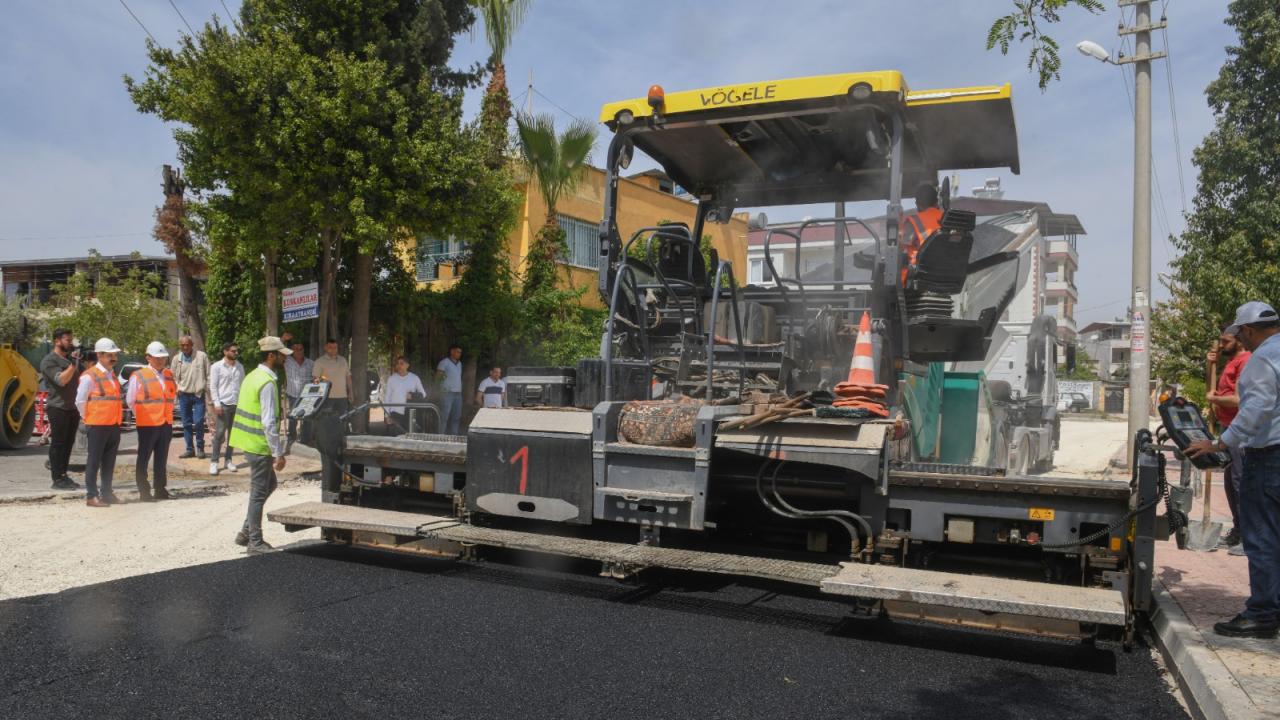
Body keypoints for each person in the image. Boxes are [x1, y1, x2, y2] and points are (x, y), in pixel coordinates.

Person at [1187, 301, 1280, 639]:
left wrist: (1219, 443)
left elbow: (1255, 410)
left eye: (1241, 333)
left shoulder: (1261, 360)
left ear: (1249, 331)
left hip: (1269, 457)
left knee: (1262, 538)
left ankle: (1262, 615)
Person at [229, 336, 290, 554]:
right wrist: (278, 453)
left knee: (269, 485)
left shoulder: (253, 376)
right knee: (258, 493)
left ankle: (246, 531)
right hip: (259, 445)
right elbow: (268, 421)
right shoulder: (267, 382)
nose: (285, 358)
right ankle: (255, 542)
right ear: (271, 355)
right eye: (282, 354)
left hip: (248, 442)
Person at [1207, 328, 1251, 553]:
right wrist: (1210, 365)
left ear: (1240, 340)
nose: (1222, 345)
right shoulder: (1232, 361)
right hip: (1227, 429)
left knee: (1239, 482)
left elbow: (1239, 400)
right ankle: (1237, 530)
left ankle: (1247, 536)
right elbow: (1212, 388)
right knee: (1230, 481)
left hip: (1239, 430)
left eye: (1226, 341)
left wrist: (1215, 399)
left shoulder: (1246, 361)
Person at [76, 338, 123, 507]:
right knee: (94, 461)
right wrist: (87, 417)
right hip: (97, 424)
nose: (113, 358)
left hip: (113, 424)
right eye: (110, 355)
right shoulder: (89, 376)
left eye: (114, 355)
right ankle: (91, 495)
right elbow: (80, 401)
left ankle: (107, 493)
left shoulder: (112, 375)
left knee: (109, 462)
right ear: (99, 355)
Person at [128, 341, 177, 501]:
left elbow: (171, 397)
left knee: (161, 458)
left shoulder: (169, 374)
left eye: (163, 357)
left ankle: (160, 489)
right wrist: (142, 415)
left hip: (165, 423)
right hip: (147, 424)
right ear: (148, 357)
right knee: (144, 458)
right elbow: (131, 400)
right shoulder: (139, 375)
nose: (160, 360)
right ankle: (144, 491)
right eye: (157, 357)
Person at [39, 328, 83, 491]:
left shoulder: (71, 361)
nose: (71, 343)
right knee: (58, 443)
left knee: (68, 443)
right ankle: (56, 478)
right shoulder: (49, 361)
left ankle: (64, 475)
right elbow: (61, 380)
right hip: (58, 408)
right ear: (57, 341)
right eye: (67, 340)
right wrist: (73, 364)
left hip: (72, 408)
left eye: (71, 340)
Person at [208, 342, 245, 475]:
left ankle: (228, 460)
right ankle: (214, 461)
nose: (236, 353)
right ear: (225, 352)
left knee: (233, 435)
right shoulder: (216, 367)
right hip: (223, 404)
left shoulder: (240, 367)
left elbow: (242, 385)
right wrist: (216, 404)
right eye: (233, 351)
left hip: (236, 404)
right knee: (219, 434)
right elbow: (213, 386)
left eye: (237, 351)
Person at [171, 335, 210, 459]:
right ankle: (189, 449)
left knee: (198, 421)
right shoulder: (177, 359)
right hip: (184, 395)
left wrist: (208, 392)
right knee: (186, 423)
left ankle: (200, 447)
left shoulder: (201, 356)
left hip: (198, 394)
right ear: (180, 346)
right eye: (182, 345)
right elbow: (173, 377)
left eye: (187, 344)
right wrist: (177, 389)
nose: (185, 347)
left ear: (192, 345)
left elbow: (208, 374)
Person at [899, 182, 943, 283]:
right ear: (936, 202)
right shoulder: (948, 218)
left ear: (918, 204)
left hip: (918, 277)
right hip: (944, 275)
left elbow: (898, 247)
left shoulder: (914, 221)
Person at [383, 356, 427, 435]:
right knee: (395, 439)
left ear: (407, 365)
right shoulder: (391, 379)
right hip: (395, 413)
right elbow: (387, 398)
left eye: (401, 363)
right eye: (397, 364)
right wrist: (386, 415)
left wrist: (413, 396)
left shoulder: (414, 378)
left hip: (410, 413)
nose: (399, 366)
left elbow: (423, 394)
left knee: (409, 438)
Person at [283, 342, 313, 450]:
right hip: (293, 394)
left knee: (306, 418)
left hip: (306, 396)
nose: (299, 351)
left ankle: (305, 440)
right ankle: (291, 439)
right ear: (292, 351)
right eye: (296, 349)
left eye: (300, 349)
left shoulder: (310, 363)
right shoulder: (287, 361)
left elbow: (314, 377)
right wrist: (283, 339)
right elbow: (279, 349)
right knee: (293, 418)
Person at [312, 338, 352, 414]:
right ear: (325, 348)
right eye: (330, 347)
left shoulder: (343, 360)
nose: (333, 350)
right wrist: (319, 381)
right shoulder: (319, 362)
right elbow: (315, 380)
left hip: (342, 397)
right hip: (326, 398)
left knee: (343, 421)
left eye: (335, 347)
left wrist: (351, 392)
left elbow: (348, 377)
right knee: (327, 422)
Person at [436, 344, 463, 435]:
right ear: (452, 351)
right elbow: (438, 377)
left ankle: (454, 437)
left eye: (460, 352)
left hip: (458, 394)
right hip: (447, 393)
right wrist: (441, 390)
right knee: (444, 417)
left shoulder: (459, 364)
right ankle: (440, 436)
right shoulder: (444, 362)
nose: (459, 354)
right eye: (458, 352)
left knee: (456, 417)